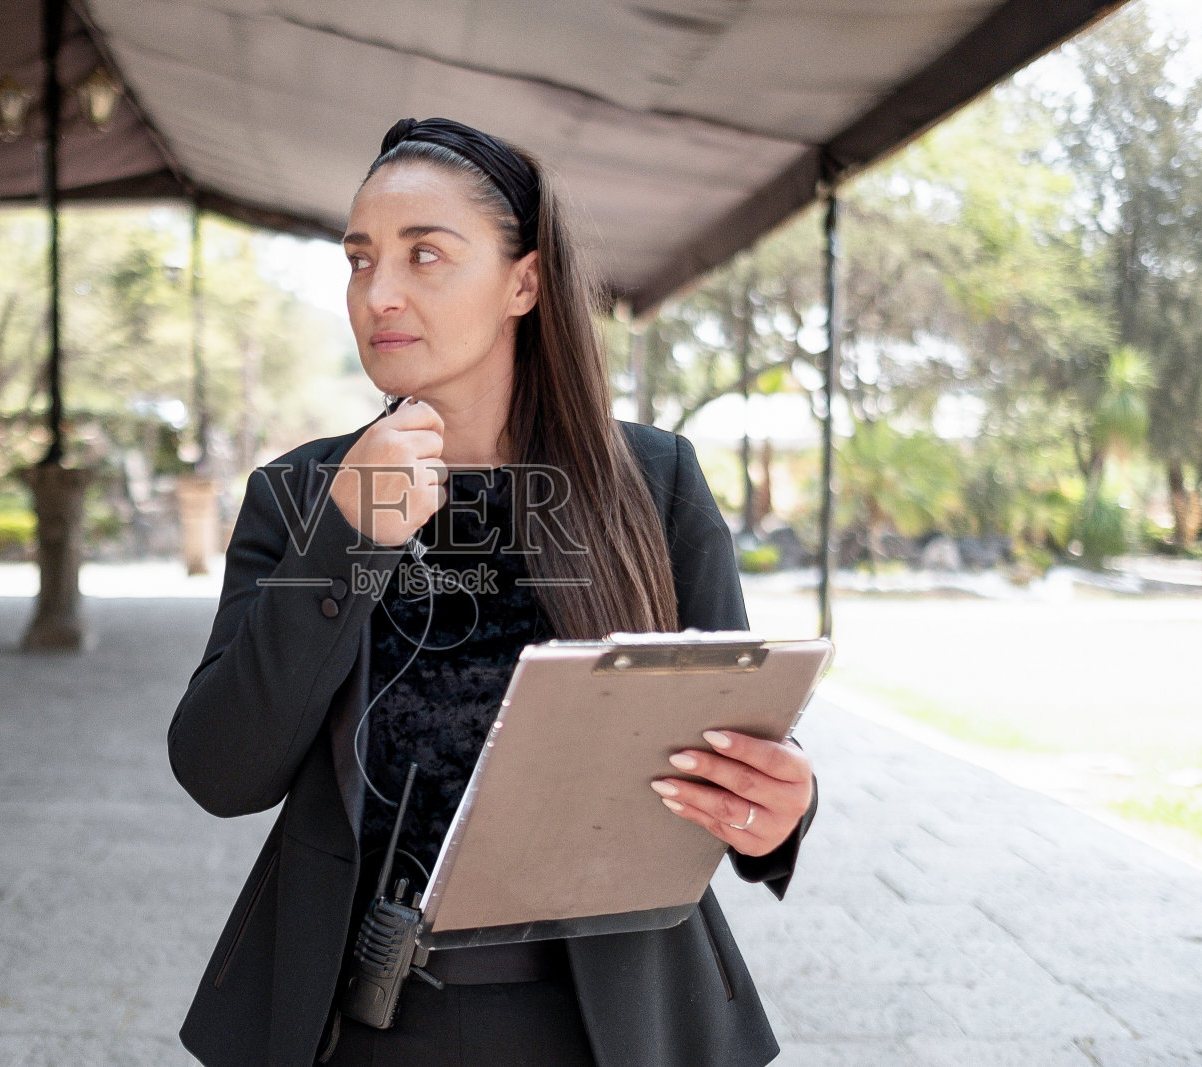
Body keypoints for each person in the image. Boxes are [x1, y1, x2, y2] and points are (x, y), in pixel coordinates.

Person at [167, 116, 819, 1067]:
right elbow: (220, 770)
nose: (377, 293)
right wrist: (345, 541)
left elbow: (737, 730)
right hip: (358, 1021)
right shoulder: (302, 494)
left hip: (612, 1021)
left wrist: (780, 807)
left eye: (425, 254)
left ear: (524, 281)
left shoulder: (655, 481)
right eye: (359, 260)